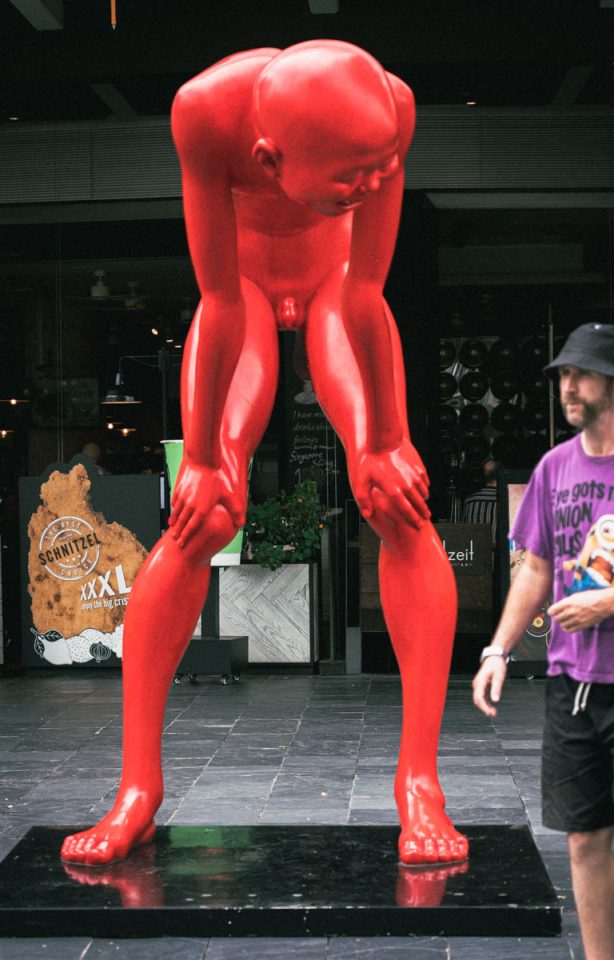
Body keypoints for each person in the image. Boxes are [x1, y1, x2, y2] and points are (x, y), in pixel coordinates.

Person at [61, 41, 465, 868]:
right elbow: (217, 297)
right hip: (239, 292)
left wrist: (388, 440)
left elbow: (365, 292)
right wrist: (204, 456)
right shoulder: (205, 113)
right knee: (203, 518)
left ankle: (420, 782)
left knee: (395, 501)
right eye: (351, 179)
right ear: (269, 158)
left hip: (338, 287)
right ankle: (137, 787)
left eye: (383, 169)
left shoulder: (393, 106)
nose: (372, 186)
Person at [472, 323, 614, 960]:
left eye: (582, 375)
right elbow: (535, 567)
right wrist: (498, 650)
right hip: (572, 682)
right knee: (585, 839)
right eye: (563, 375)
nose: (568, 386)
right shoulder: (553, 468)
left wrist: (611, 601)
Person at [462, 457, 500, 543]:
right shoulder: (505, 500)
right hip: (499, 550)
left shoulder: (469, 500)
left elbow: (462, 529)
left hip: (474, 548)